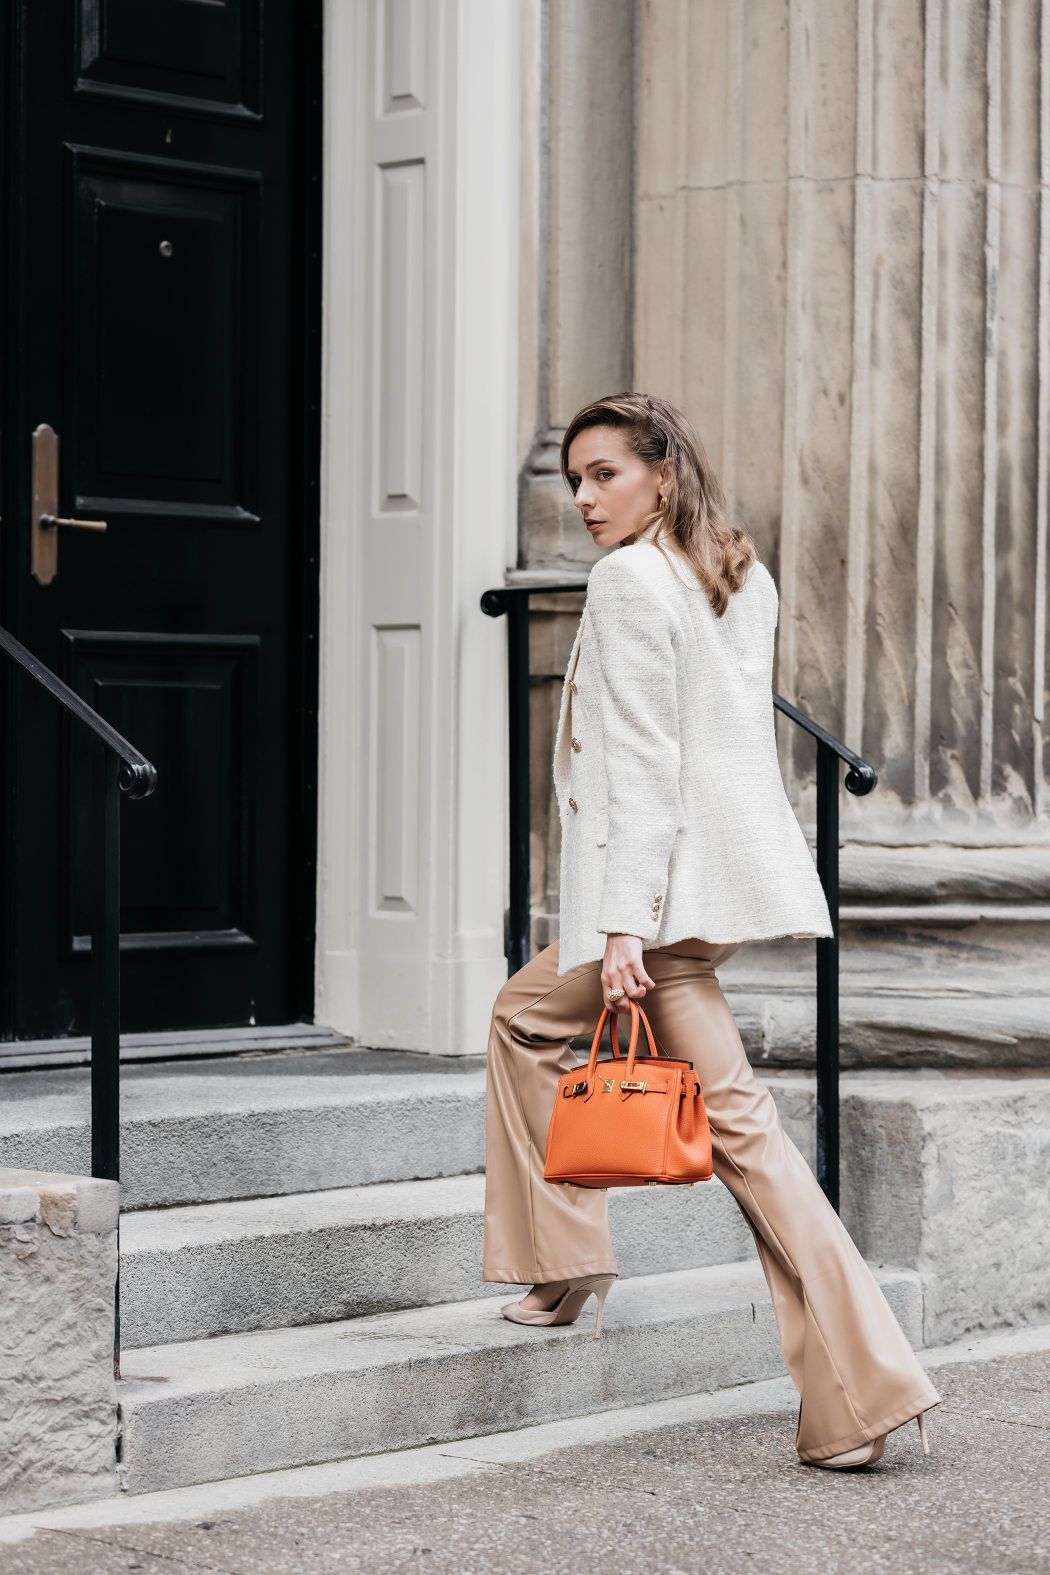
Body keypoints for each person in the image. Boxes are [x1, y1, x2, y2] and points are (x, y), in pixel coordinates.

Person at [481, 392, 941, 1469]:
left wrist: (626, 925)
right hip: (704, 898)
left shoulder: (631, 579)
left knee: (741, 1138)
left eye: (606, 475)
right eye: (575, 480)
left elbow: (644, 759)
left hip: (660, 908)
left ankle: (861, 1387)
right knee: (533, 1019)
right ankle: (565, 1264)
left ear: (663, 475)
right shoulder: (738, 570)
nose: (586, 499)